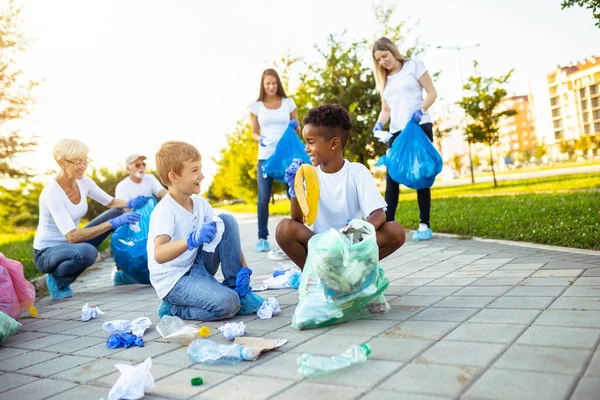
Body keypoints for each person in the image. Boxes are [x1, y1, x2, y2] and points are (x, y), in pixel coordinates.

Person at [275, 104, 405, 270]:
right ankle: (315, 276)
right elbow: (298, 220)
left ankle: (354, 270)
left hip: (350, 242)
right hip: (319, 244)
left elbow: (379, 214)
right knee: (284, 229)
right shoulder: (309, 174)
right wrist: (294, 190)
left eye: (311, 142)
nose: (306, 149)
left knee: (395, 231)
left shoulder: (356, 172)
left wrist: (348, 237)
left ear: (334, 143)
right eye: (305, 143)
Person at [148, 141, 262, 320]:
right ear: (174, 177)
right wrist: (191, 239)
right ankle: (173, 309)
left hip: (197, 264)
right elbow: (160, 254)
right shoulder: (165, 210)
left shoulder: (201, 204)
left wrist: (244, 269)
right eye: (194, 170)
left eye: (200, 169)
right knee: (228, 304)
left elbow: (224, 236)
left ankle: (237, 290)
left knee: (226, 221)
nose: (201, 175)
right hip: (174, 279)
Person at [33, 139, 148, 299]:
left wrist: (130, 203)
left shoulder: (83, 181)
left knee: (117, 212)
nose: (83, 166)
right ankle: (58, 279)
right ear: (61, 162)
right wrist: (111, 224)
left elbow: (111, 202)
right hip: (47, 252)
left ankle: (125, 268)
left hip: (70, 245)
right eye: (77, 162)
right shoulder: (52, 193)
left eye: (85, 161)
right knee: (87, 252)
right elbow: (72, 236)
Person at [371, 37, 438, 241]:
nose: (383, 62)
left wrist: (421, 110)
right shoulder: (385, 80)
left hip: (418, 126)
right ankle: (388, 223)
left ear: (393, 51)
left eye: (385, 56)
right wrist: (378, 124)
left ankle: (424, 224)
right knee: (392, 178)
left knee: (421, 176)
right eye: (379, 60)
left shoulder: (413, 66)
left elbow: (432, 93)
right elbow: (386, 110)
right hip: (397, 131)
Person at [249, 68, 300, 255]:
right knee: (263, 198)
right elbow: (254, 132)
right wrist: (260, 139)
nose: (271, 86)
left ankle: (298, 230)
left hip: (286, 156)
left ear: (278, 83)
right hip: (265, 156)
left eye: (274, 83)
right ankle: (262, 238)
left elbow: (298, 126)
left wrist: (294, 125)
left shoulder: (289, 103)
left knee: (293, 193)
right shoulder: (256, 107)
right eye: (267, 83)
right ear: (263, 85)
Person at [111, 154, 167, 286]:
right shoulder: (122, 186)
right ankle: (122, 271)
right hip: (132, 221)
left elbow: (161, 192)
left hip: (149, 219)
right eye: (137, 165)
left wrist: (172, 196)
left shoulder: (150, 179)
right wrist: (133, 207)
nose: (141, 167)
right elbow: (123, 209)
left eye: (143, 164)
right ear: (127, 169)